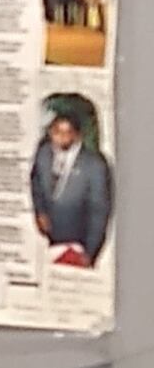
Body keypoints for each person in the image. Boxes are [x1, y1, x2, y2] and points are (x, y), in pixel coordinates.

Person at [29, 104, 113, 264]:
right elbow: (36, 182)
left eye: (66, 132)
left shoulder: (94, 165)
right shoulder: (43, 153)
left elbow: (99, 213)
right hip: (48, 243)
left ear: (77, 135)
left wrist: (90, 252)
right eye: (55, 131)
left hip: (77, 245)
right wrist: (40, 210)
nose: (60, 137)